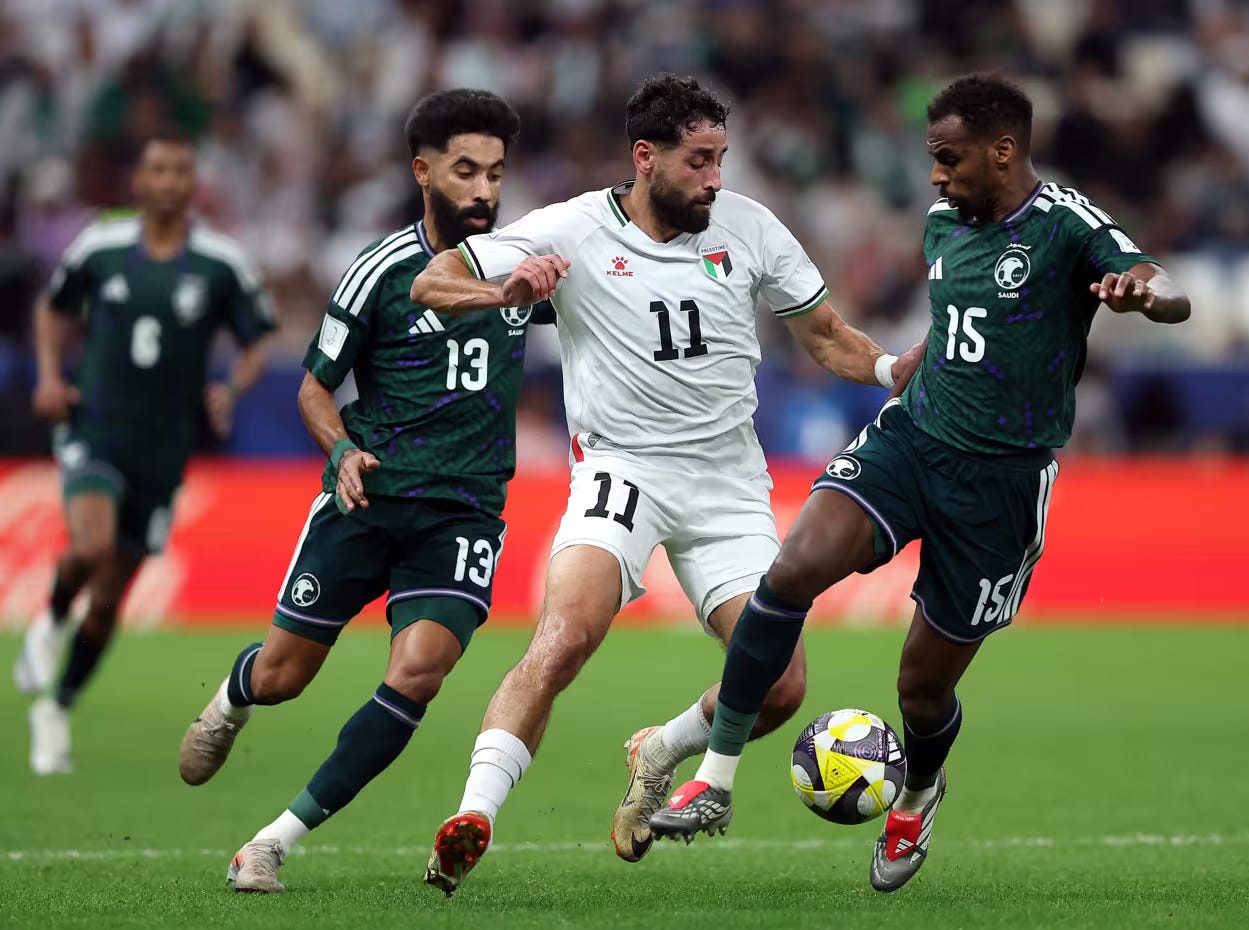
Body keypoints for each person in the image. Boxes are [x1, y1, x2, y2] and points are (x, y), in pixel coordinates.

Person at [651, 73, 1192, 893]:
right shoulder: (942, 224)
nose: (935, 176)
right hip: (912, 440)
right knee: (791, 571)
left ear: (1002, 151)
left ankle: (918, 792)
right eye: (932, 158)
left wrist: (1144, 295)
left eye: (949, 158)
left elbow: (1165, 285)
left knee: (921, 689)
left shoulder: (1064, 224)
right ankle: (714, 780)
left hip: (1001, 487)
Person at [410, 73, 919, 896]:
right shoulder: (572, 228)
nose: (716, 177)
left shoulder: (750, 228)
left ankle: (662, 749)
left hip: (726, 483)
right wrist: (502, 291)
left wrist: (893, 369)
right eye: (698, 160)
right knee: (565, 636)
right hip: (621, 469)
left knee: (781, 686)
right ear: (645, 157)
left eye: (721, 158)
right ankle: (473, 815)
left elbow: (826, 335)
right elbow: (431, 281)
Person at [176, 89, 541, 894]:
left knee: (418, 673)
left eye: (495, 173)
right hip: (368, 497)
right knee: (284, 677)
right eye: (466, 171)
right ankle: (235, 697)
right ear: (423, 172)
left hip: (464, 511)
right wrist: (340, 448)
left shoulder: (525, 263)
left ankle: (271, 841)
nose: (484, 189)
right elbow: (314, 386)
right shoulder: (382, 269)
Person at [17, 131, 274, 776]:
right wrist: (47, 376)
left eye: (179, 171)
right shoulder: (101, 246)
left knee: (109, 599)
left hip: (164, 447)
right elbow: (52, 309)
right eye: (156, 169)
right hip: (97, 425)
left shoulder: (219, 263)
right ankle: (50, 620)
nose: (167, 182)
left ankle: (57, 707)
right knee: (88, 547)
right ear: (138, 181)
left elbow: (255, 343)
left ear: (193, 185)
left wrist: (230, 387)